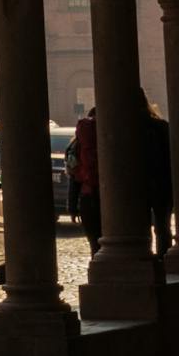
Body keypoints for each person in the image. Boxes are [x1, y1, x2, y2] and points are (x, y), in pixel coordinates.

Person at [141, 101, 175, 258]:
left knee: (141, 227)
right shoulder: (162, 126)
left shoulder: (126, 129)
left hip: (140, 185)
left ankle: (145, 259)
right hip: (163, 184)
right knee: (163, 227)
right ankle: (164, 259)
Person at [72, 106, 102, 251]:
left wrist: (72, 206)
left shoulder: (77, 144)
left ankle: (98, 270)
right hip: (116, 199)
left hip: (88, 196)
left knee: (95, 243)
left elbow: (74, 176)